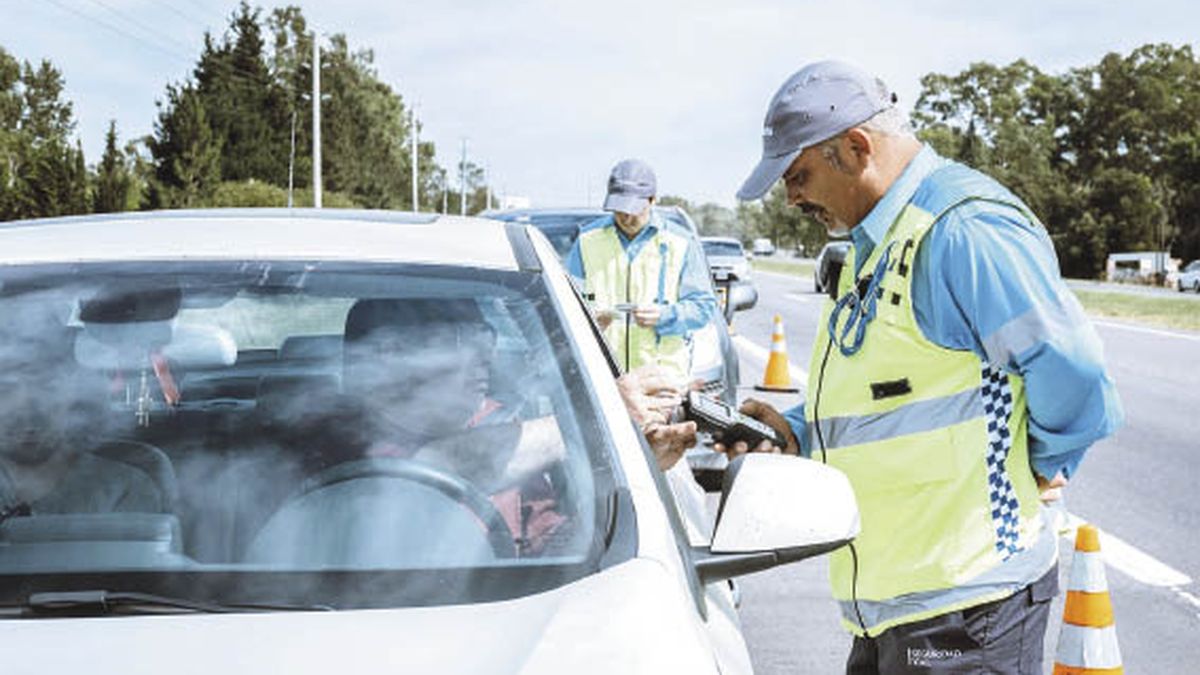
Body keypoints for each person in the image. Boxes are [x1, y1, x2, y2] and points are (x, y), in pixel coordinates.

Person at [728, 61, 1123, 673]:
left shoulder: (964, 231)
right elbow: (892, 393)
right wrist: (797, 429)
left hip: (968, 609)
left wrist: (1038, 467)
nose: (792, 197)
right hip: (894, 606)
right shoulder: (878, 239)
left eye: (798, 174)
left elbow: (1073, 369)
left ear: (855, 148)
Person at [565, 159, 719, 384]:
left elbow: (703, 307)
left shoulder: (681, 243)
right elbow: (569, 303)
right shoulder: (587, 240)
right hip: (603, 380)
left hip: (663, 380)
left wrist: (664, 316)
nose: (626, 218)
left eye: (633, 210)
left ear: (653, 200)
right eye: (619, 210)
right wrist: (590, 318)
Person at [0, 317, 168, 520]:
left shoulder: (122, 489)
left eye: (46, 385)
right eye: (6, 388)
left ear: (73, 391)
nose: (28, 408)